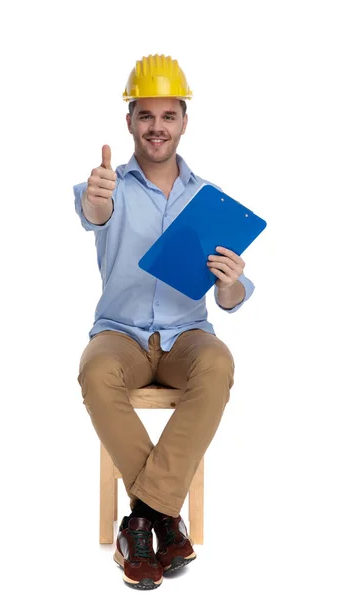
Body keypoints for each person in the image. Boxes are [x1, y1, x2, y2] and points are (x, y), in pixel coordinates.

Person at [73, 54, 255, 590]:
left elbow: (237, 293)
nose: (156, 127)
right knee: (94, 371)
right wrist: (97, 201)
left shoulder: (207, 198)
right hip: (120, 334)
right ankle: (166, 521)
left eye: (167, 115)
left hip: (186, 338)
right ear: (129, 121)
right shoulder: (108, 188)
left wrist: (230, 283)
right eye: (145, 115)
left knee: (219, 363)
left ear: (183, 121)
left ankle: (141, 519)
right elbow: (93, 214)